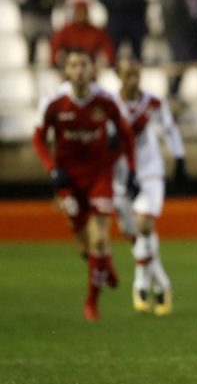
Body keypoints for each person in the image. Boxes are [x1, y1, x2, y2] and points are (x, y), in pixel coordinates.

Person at [32, 48, 138, 321]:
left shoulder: (105, 100)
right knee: (83, 244)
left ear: (93, 69)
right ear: (66, 71)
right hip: (68, 177)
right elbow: (38, 138)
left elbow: (125, 134)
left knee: (100, 236)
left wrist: (132, 170)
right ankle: (105, 263)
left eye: (84, 64)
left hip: (100, 174)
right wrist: (52, 168)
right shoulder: (54, 102)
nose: (80, 70)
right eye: (74, 65)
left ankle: (91, 304)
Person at [113, 58, 188, 316]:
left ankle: (141, 283)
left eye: (136, 74)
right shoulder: (111, 105)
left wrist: (179, 158)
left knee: (145, 225)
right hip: (120, 175)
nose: (133, 79)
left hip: (150, 170)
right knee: (132, 233)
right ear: (118, 76)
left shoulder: (153, 103)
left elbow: (169, 129)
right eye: (127, 74)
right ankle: (164, 284)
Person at [49, 0, 115, 69]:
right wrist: (54, 62)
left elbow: (107, 47)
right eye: (79, 12)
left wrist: (109, 62)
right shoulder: (66, 30)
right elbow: (55, 45)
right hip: (70, 66)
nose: (81, 15)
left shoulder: (96, 31)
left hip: (90, 67)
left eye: (83, 12)